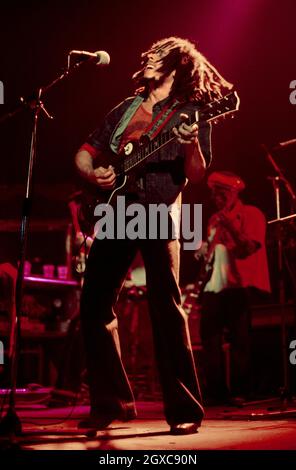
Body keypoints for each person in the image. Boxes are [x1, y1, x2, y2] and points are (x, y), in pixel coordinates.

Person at [74, 37, 233, 435]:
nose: (147, 58)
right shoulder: (123, 109)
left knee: (166, 307)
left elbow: (195, 174)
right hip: (116, 211)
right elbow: (85, 151)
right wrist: (93, 174)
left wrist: (191, 141)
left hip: (160, 212)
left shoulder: (190, 112)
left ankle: (183, 409)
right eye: (148, 54)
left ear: (177, 65)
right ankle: (109, 403)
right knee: (93, 304)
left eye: (157, 56)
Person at [196, 171, 271, 404]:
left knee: (240, 340)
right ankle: (215, 392)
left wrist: (232, 227)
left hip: (239, 286)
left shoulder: (252, 214)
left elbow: (249, 248)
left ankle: (241, 390)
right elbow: (211, 254)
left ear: (231, 194)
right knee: (209, 340)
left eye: (220, 194)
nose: (215, 198)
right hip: (213, 288)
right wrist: (202, 253)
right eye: (213, 194)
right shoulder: (213, 220)